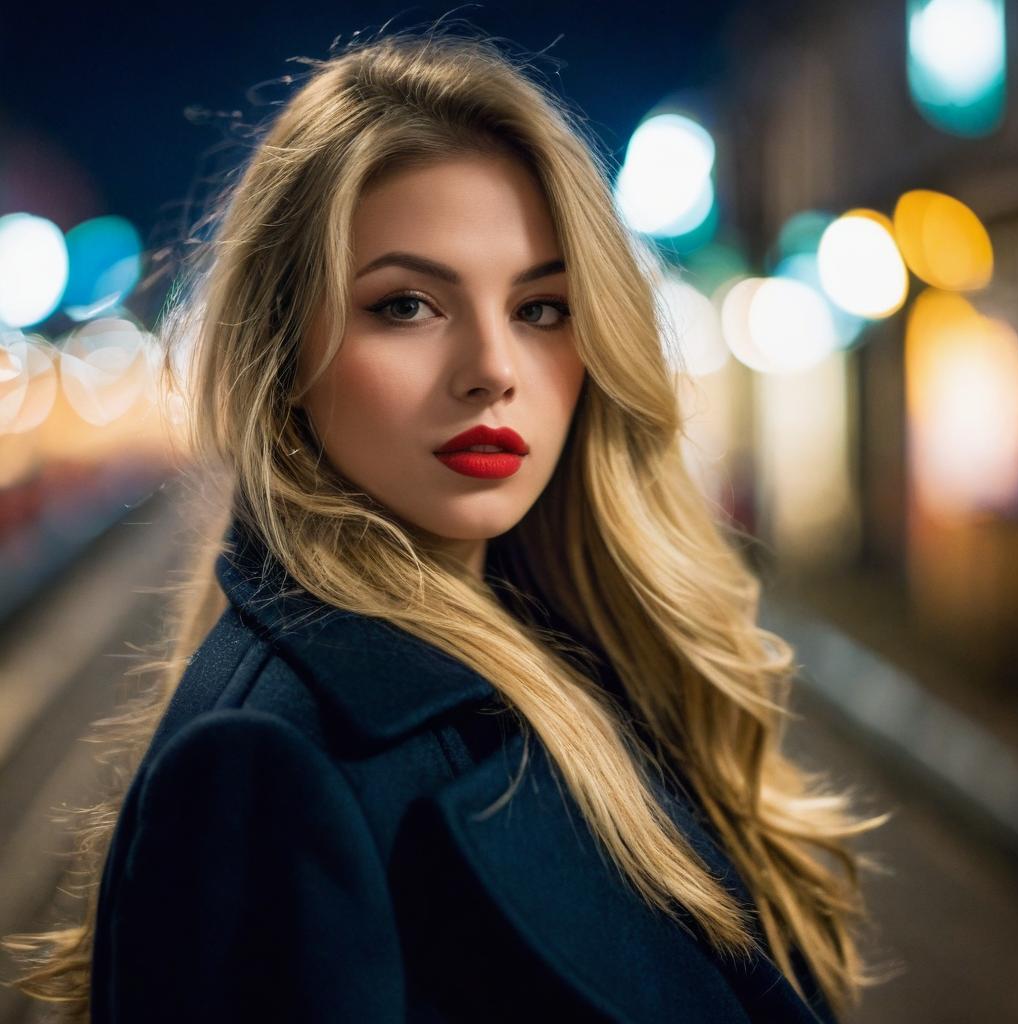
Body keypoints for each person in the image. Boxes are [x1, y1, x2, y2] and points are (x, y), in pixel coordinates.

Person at [2, 26, 893, 1023]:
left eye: (542, 308)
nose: (492, 366)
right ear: (283, 349)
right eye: (410, 304)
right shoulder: (264, 768)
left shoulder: (577, 648)